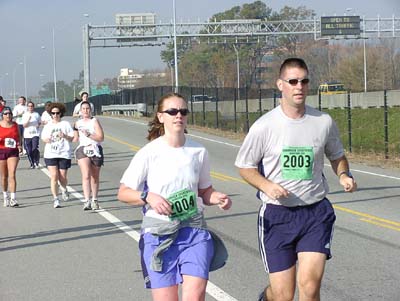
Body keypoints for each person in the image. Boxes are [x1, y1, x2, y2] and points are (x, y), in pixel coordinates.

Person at [235, 58, 357, 301]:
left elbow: (337, 156)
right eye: (293, 81)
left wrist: (344, 174)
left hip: (315, 214)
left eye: (304, 81)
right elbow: (244, 166)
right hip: (277, 216)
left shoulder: (323, 122)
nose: (299, 86)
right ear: (280, 85)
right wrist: (267, 185)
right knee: (283, 295)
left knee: (310, 287)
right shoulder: (264, 126)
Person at [117, 92, 232, 301]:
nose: (178, 115)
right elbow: (123, 193)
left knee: (195, 297)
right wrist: (148, 196)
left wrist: (217, 198)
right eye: (172, 111)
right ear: (161, 117)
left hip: (194, 231)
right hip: (159, 234)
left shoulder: (198, 151)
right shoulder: (149, 152)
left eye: (183, 111)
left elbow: (204, 191)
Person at [41, 103, 74, 208]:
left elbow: (72, 138)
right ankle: (56, 199)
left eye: (57, 113)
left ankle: (64, 189)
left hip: (64, 153)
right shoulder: (48, 126)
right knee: (54, 176)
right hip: (50, 154)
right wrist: (47, 139)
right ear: (50, 114)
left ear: (61, 113)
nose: (55, 115)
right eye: (53, 113)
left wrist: (64, 135)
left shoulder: (65, 124)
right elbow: (44, 138)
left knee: (62, 177)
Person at [73, 101, 104, 210]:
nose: (85, 111)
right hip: (83, 149)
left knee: (94, 177)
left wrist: (89, 134)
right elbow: (75, 138)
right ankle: (87, 200)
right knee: (86, 175)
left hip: (95, 148)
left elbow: (101, 138)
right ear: (80, 111)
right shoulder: (77, 123)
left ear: (90, 110)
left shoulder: (94, 121)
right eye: (83, 109)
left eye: (87, 108)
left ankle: (94, 199)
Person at [0, 106, 22, 207]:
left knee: (12, 173)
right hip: (1, 151)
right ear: (2, 116)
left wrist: (20, 145)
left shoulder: (15, 125)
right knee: (4, 177)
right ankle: (5, 195)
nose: (8, 115)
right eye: (6, 114)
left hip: (13, 151)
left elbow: (19, 136)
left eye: (10, 113)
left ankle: (13, 198)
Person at [22, 101, 41, 168]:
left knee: (34, 148)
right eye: (29, 106)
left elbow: (39, 122)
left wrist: (38, 125)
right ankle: (32, 163)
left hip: (35, 133)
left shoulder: (37, 114)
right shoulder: (25, 115)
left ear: (33, 107)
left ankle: (36, 162)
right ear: (27, 107)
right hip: (27, 135)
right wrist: (28, 120)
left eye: (31, 106)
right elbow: (24, 125)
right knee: (29, 151)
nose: (30, 107)